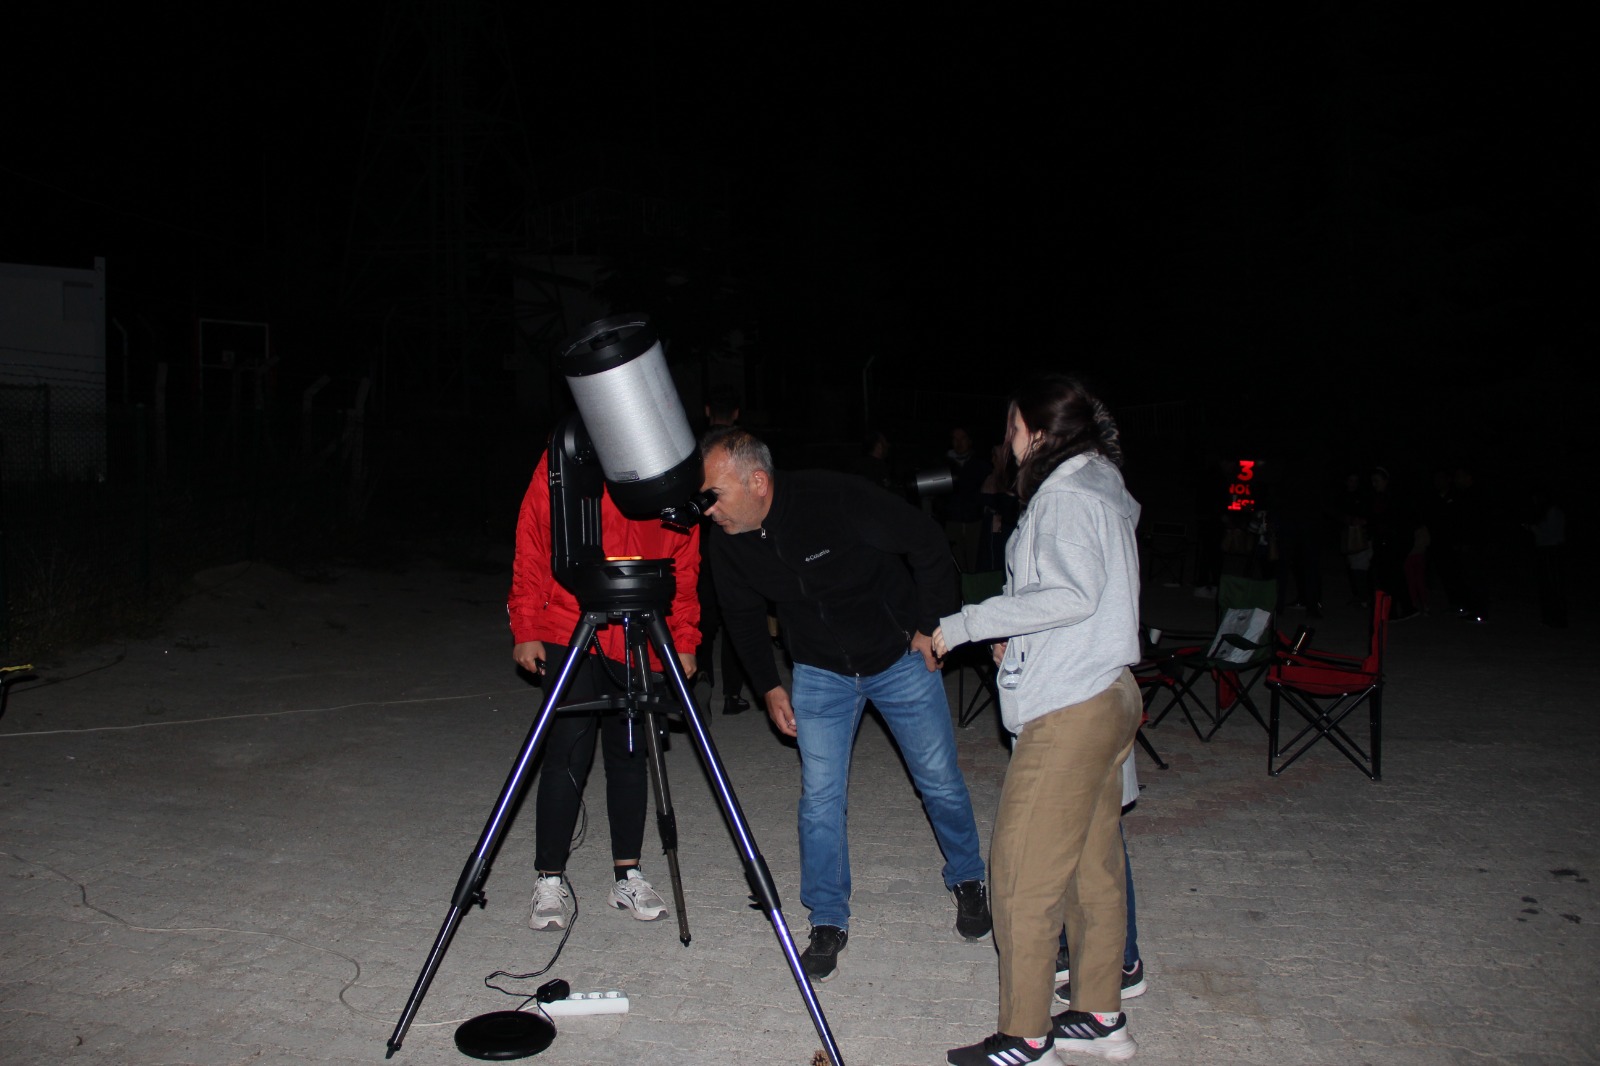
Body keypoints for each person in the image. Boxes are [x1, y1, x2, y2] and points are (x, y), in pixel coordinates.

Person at [698, 426, 991, 983]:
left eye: (716, 494)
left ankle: (969, 877)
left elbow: (927, 541)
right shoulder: (728, 539)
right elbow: (740, 615)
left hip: (898, 657)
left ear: (758, 482)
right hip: (820, 672)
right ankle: (827, 916)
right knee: (820, 800)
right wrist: (769, 685)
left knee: (938, 780)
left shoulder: (832, 496)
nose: (708, 509)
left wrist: (931, 627)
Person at [933, 375, 1143, 1065]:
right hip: (1106, 690)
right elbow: (1086, 598)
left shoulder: (1066, 495)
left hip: (1072, 705)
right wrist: (1018, 639)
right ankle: (1100, 1013)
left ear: (1041, 432)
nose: (1008, 441)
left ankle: (1026, 1036)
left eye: (1014, 429)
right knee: (1090, 868)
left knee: (1022, 873)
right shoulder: (1100, 485)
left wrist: (966, 624)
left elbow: (1070, 593)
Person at [508, 448, 701, 932]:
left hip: (639, 620)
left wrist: (683, 638)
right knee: (566, 751)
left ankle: (627, 874)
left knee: (630, 753)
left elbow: (684, 559)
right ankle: (549, 877)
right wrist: (526, 625)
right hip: (569, 620)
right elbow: (533, 538)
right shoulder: (567, 455)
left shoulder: (660, 456)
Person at [695, 386, 750, 714]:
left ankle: (701, 676)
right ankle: (733, 694)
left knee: (702, 618)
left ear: (707, 411)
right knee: (736, 617)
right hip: (735, 541)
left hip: (699, 544)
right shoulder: (743, 447)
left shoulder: (695, 447)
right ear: (736, 413)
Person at [936, 426, 993, 572]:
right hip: (952, 521)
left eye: (962, 438)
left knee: (975, 564)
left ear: (970, 441)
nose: (959, 442)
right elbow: (936, 495)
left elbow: (990, 492)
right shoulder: (943, 465)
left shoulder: (980, 465)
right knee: (955, 565)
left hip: (975, 522)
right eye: (955, 439)